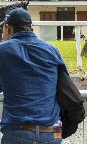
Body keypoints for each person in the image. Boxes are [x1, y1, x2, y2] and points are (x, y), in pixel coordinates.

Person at [0, 8, 66, 143]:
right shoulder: (52, 50)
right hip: (53, 133)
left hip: (18, 132)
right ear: (30, 27)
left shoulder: (3, 50)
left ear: (7, 27)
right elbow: (64, 84)